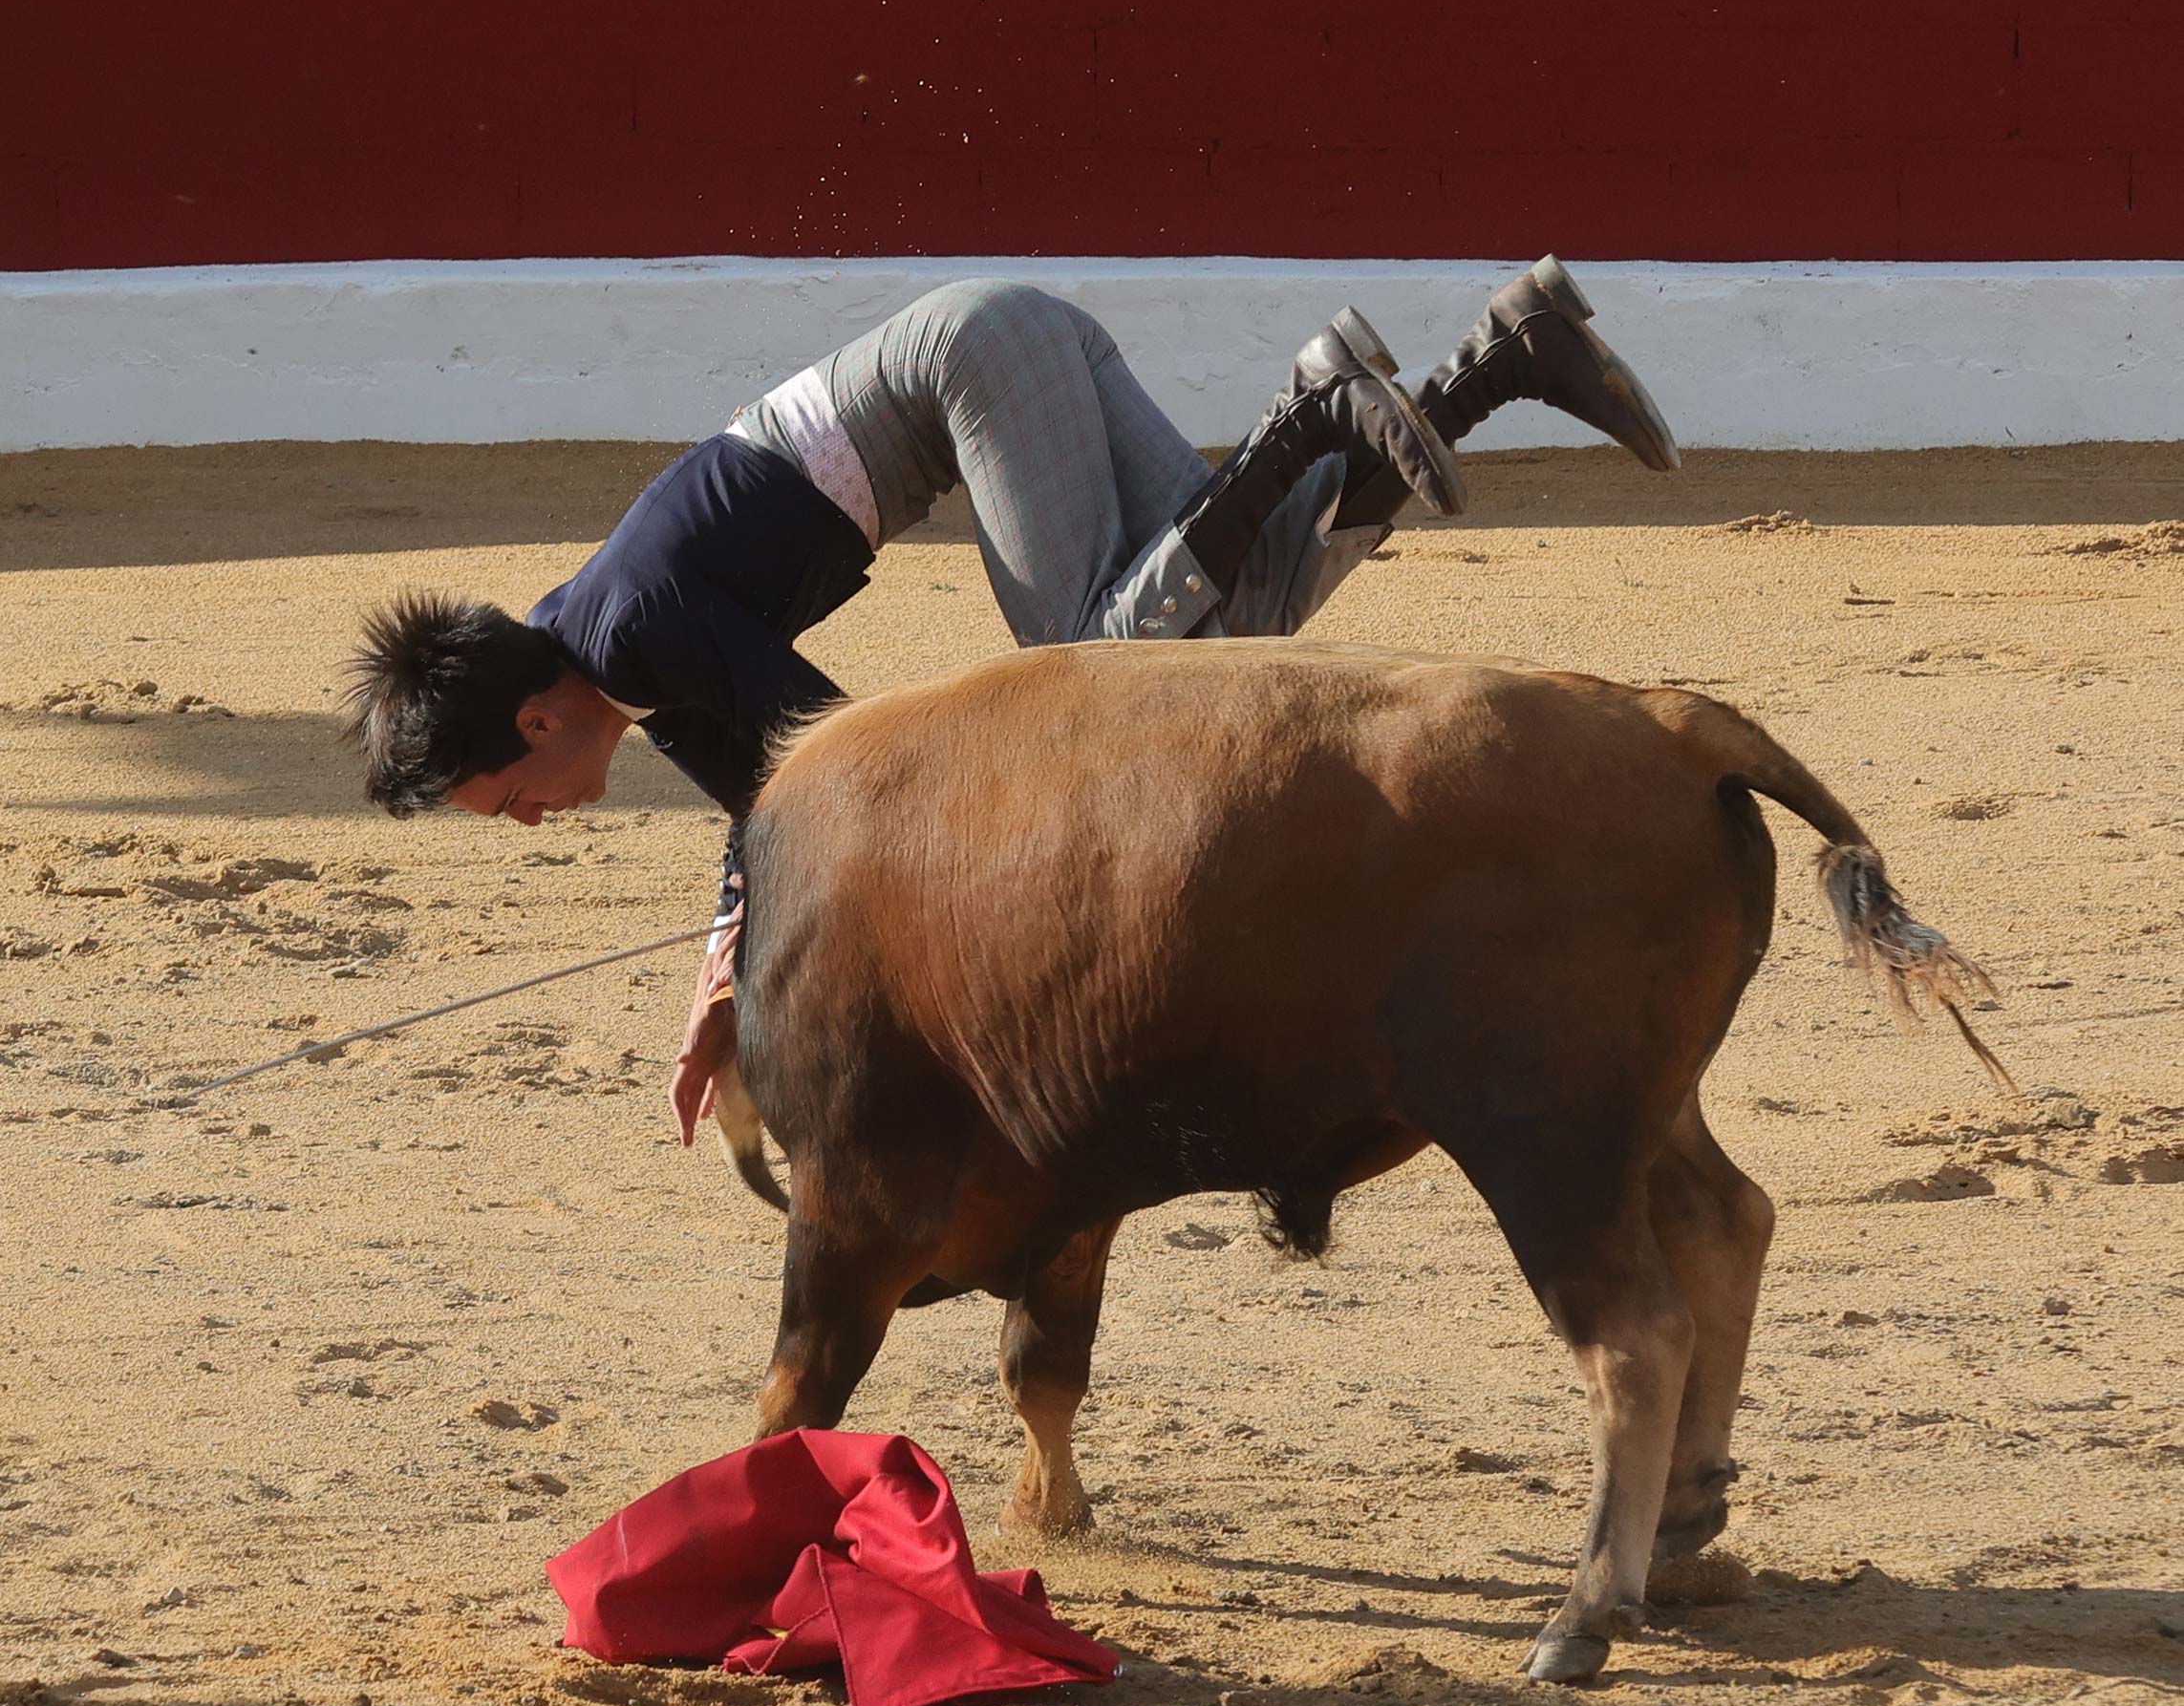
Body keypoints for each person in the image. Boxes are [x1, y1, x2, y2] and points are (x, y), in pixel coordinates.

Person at [341, 260, 1679, 1146]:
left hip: (970, 371)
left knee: (1094, 672)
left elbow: (831, 778)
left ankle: (1311, 409)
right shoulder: (616, 646)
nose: (526, 824)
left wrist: (754, 970)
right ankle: (1498, 362)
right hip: (1003, 345)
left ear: (531, 725)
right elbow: (764, 806)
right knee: (1239, 616)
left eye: (503, 802)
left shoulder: (632, 627)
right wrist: (720, 976)